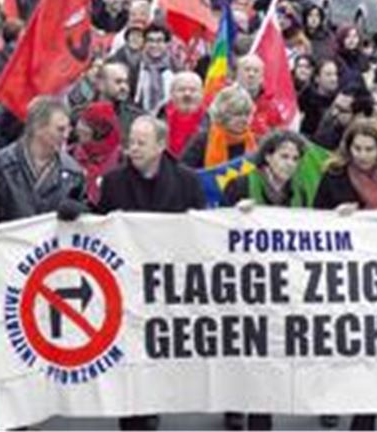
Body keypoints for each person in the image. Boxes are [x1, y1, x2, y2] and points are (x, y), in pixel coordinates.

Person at [95, 115, 205, 431]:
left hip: (167, 284)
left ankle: (151, 405)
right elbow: (100, 228)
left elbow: (200, 229)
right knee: (128, 355)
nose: (133, 148)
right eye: (131, 141)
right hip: (126, 283)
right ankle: (131, 414)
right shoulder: (114, 182)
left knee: (156, 355)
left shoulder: (186, 181)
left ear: (160, 145)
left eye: (142, 142)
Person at [313, 118, 377, 431]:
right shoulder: (334, 175)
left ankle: (365, 416)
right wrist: (334, 219)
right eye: (357, 149)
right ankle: (333, 401)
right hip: (342, 268)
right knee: (340, 340)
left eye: (369, 149)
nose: (363, 155)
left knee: (373, 345)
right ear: (348, 148)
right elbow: (313, 219)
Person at [0, 96, 87, 240]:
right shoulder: (0, 164)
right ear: (38, 127)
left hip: (50, 256)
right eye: (60, 129)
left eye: (68, 129)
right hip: (8, 252)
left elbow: (87, 212)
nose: (66, 136)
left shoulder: (73, 173)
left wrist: (81, 211)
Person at [224, 129, 310, 208]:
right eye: (284, 156)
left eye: (295, 159)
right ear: (268, 157)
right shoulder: (240, 185)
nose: (290, 164)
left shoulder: (300, 193)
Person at [181, 85, 257, 171]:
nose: (244, 119)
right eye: (237, 114)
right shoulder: (202, 140)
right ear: (222, 114)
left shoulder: (254, 141)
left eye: (247, 114)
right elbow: (184, 173)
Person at [69, 101, 123, 204]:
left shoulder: (121, 160)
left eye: (86, 124)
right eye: (81, 122)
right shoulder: (70, 155)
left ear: (100, 132)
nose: (79, 127)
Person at [234, 54, 284, 137]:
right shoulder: (226, 98)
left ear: (261, 77)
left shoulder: (270, 104)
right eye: (247, 69)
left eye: (256, 71)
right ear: (238, 74)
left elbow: (278, 135)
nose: (251, 74)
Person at [162, 71, 204, 158]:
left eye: (193, 90)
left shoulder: (211, 123)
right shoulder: (158, 118)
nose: (187, 94)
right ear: (172, 94)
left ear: (201, 94)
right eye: (181, 90)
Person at [134, 23, 175, 113]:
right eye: (150, 40)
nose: (154, 45)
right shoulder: (137, 65)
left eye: (159, 41)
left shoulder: (175, 66)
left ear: (166, 43)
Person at [298, 58, 340, 139]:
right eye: (328, 74)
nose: (334, 79)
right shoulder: (306, 101)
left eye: (335, 74)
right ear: (317, 78)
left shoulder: (340, 101)